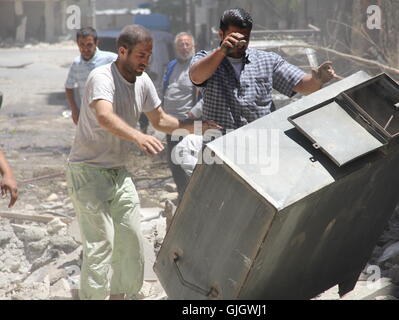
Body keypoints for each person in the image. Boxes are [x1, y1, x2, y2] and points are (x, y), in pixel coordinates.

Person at [66, 24, 219, 300]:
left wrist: (196, 127)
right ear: (122, 51)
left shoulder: (144, 81)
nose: (146, 61)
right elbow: (104, 116)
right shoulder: (102, 77)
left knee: (132, 239)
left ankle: (121, 296)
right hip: (87, 172)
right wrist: (138, 136)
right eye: (141, 55)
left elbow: (160, 120)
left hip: (118, 173)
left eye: (149, 55)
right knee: (101, 245)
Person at [189, 8, 337, 132]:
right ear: (221, 35)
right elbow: (196, 76)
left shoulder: (268, 60)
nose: (240, 43)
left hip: (260, 147)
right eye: (234, 37)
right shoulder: (206, 58)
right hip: (220, 148)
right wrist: (221, 52)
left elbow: (303, 85)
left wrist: (318, 79)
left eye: (245, 38)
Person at [162, 32, 202, 199]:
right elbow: (166, 88)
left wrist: (194, 112)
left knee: (190, 161)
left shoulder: (198, 66)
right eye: (181, 45)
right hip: (170, 123)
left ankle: (194, 198)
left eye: (187, 44)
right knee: (174, 163)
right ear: (175, 48)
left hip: (190, 123)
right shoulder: (171, 65)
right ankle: (182, 196)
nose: (184, 48)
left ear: (194, 47)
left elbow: (207, 95)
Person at [65, 27, 117, 125]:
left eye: (89, 45)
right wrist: (74, 109)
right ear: (77, 44)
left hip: (110, 115)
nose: (85, 49)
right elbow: (69, 87)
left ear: (96, 43)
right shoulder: (76, 64)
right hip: (87, 118)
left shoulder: (110, 59)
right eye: (82, 44)